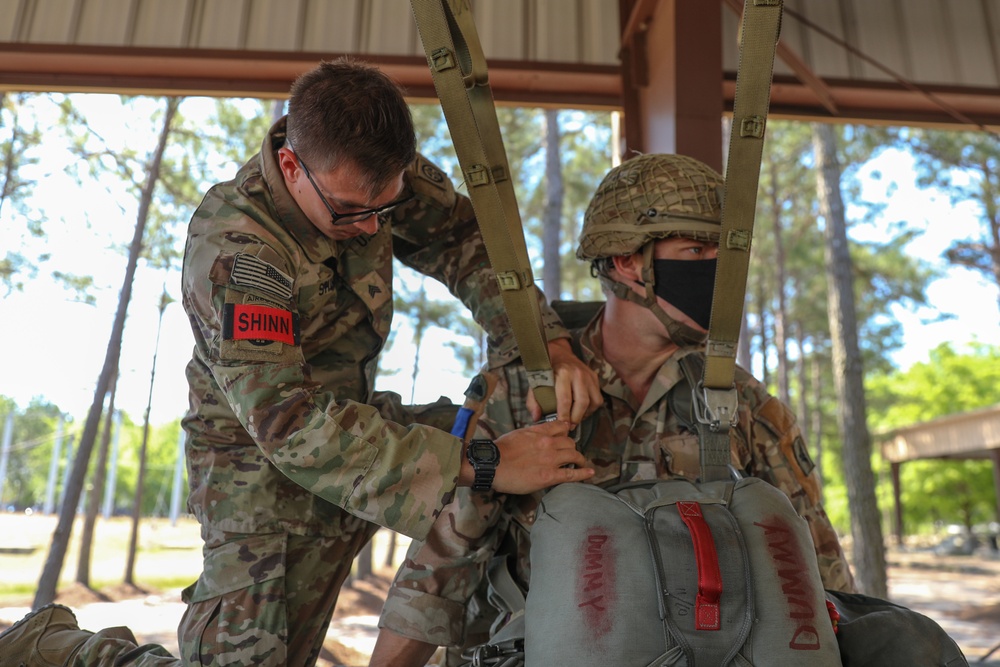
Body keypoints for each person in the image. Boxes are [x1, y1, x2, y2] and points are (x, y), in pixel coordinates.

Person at [0, 58, 602, 667]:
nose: (370, 227)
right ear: (292, 165)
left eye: (385, 210)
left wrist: (543, 342)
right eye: (349, 212)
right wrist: (483, 461)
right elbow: (288, 425)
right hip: (261, 471)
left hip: (353, 422)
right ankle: (59, 651)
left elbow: (461, 238)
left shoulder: (368, 171)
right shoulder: (238, 246)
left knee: (512, 446)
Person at [369, 152, 858, 667]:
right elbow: (439, 576)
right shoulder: (522, 395)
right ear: (627, 262)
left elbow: (819, 576)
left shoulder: (744, 405)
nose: (720, 271)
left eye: (726, 252)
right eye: (696, 250)